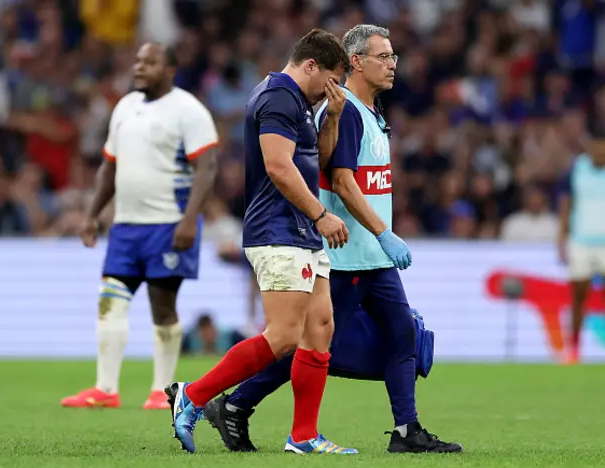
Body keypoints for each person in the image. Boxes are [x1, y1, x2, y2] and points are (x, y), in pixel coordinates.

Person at [202, 25, 463, 454]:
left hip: (371, 257)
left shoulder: (367, 112)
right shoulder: (347, 113)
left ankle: (406, 431)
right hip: (344, 255)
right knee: (307, 346)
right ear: (356, 62)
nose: (393, 63)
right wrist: (384, 232)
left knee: (402, 336)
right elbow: (339, 179)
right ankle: (234, 404)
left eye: (394, 55)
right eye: (384, 56)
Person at [165, 28, 356, 455]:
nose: (335, 89)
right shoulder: (277, 98)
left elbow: (317, 162)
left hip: (300, 231)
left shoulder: (304, 103)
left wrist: (335, 117)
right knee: (285, 335)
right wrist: (321, 214)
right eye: (332, 80)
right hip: (278, 229)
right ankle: (192, 395)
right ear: (311, 66)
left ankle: (304, 436)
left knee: (319, 329)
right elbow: (278, 167)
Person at [61, 42, 219, 410]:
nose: (139, 67)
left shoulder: (188, 110)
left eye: (150, 62)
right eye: (137, 60)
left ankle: (161, 391)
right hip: (126, 227)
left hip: (168, 224)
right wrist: (92, 213)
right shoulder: (125, 106)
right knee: (109, 301)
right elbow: (108, 167)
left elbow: (207, 168)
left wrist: (190, 219)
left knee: (162, 306)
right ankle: (105, 389)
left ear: (170, 71)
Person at [558, 129, 605, 364]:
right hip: (581, 242)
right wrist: (561, 238)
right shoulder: (577, 169)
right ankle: (573, 350)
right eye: (596, 148)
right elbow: (566, 204)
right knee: (578, 296)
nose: (599, 153)